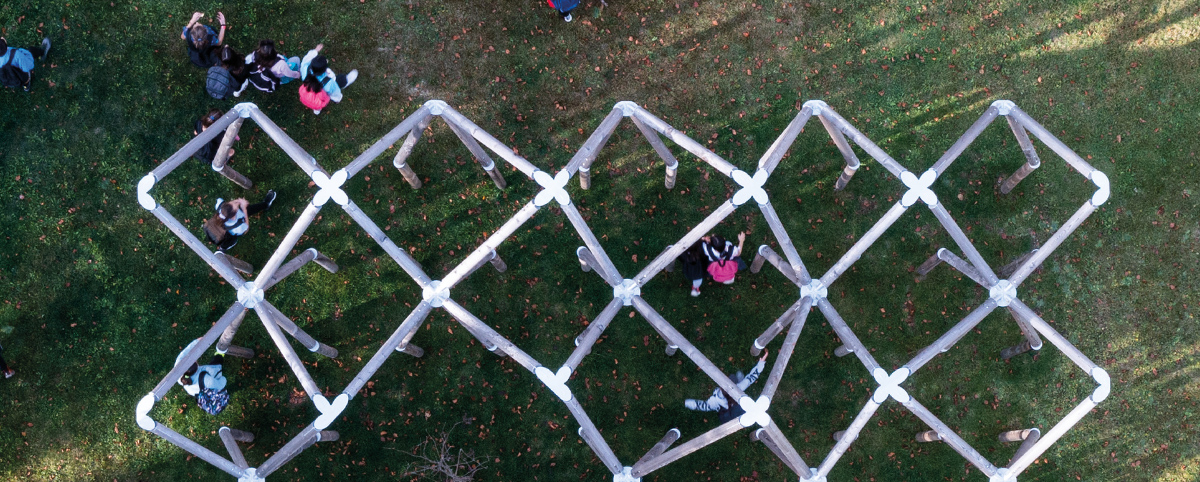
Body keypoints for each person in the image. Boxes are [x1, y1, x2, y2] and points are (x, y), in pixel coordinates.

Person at [684, 349, 769, 423]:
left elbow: (704, 406)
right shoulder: (739, 388)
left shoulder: (715, 400)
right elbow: (751, 377)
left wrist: (688, 403)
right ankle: (739, 379)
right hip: (736, 405)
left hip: (727, 412)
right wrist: (761, 363)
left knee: (734, 378)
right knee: (738, 378)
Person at [203, 191, 277, 251]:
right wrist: (244, 208)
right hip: (231, 235)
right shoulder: (238, 226)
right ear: (234, 216)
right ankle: (224, 247)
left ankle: (265, 204)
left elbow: (227, 203)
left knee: (250, 210)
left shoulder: (220, 204)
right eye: (236, 206)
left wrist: (238, 201)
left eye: (233, 202)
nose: (237, 202)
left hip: (225, 226)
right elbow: (246, 229)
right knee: (229, 241)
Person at [298, 43, 358, 115]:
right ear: (325, 69)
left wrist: (315, 51)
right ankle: (347, 80)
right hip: (321, 97)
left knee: (315, 101)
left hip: (308, 95)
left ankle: (316, 110)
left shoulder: (305, 68)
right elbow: (335, 92)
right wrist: (338, 98)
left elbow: (306, 59)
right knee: (340, 81)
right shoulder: (329, 83)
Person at [175, 339, 230, 415]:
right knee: (217, 363)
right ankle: (220, 353)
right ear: (196, 366)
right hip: (209, 384)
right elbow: (222, 383)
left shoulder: (178, 366)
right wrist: (222, 378)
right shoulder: (207, 380)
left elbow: (186, 351)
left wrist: (197, 341)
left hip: (195, 391)